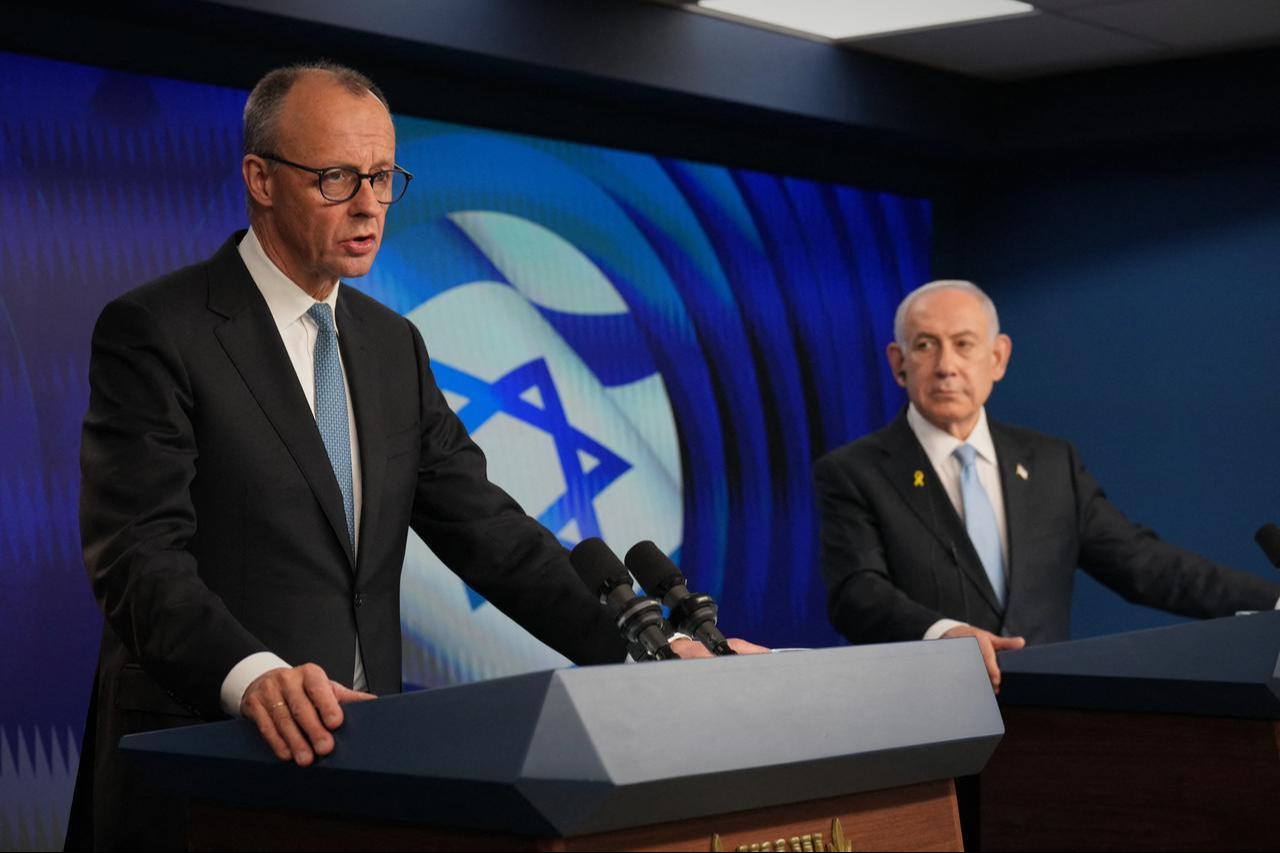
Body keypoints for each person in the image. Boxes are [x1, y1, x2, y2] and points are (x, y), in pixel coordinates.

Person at [70, 62, 762, 851]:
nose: (369, 205)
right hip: (204, 763)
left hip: (366, 766)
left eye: (381, 176)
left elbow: (489, 531)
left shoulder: (390, 344)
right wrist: (251, 674)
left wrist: (643, 655)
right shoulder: (158, 330)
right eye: (336, 178)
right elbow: (135, 554)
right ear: (260, 179)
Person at [814, 279, 1280, 692]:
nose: (946, 365)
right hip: (925, 716)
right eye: (925, 345)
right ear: (898, 362)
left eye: (964, 344)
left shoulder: (1051, 463)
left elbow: (1145, 565)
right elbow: (857, 593)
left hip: (1046, 721)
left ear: (998, 357)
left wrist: (1271, 603)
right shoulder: (856, 471)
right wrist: (943, 635)